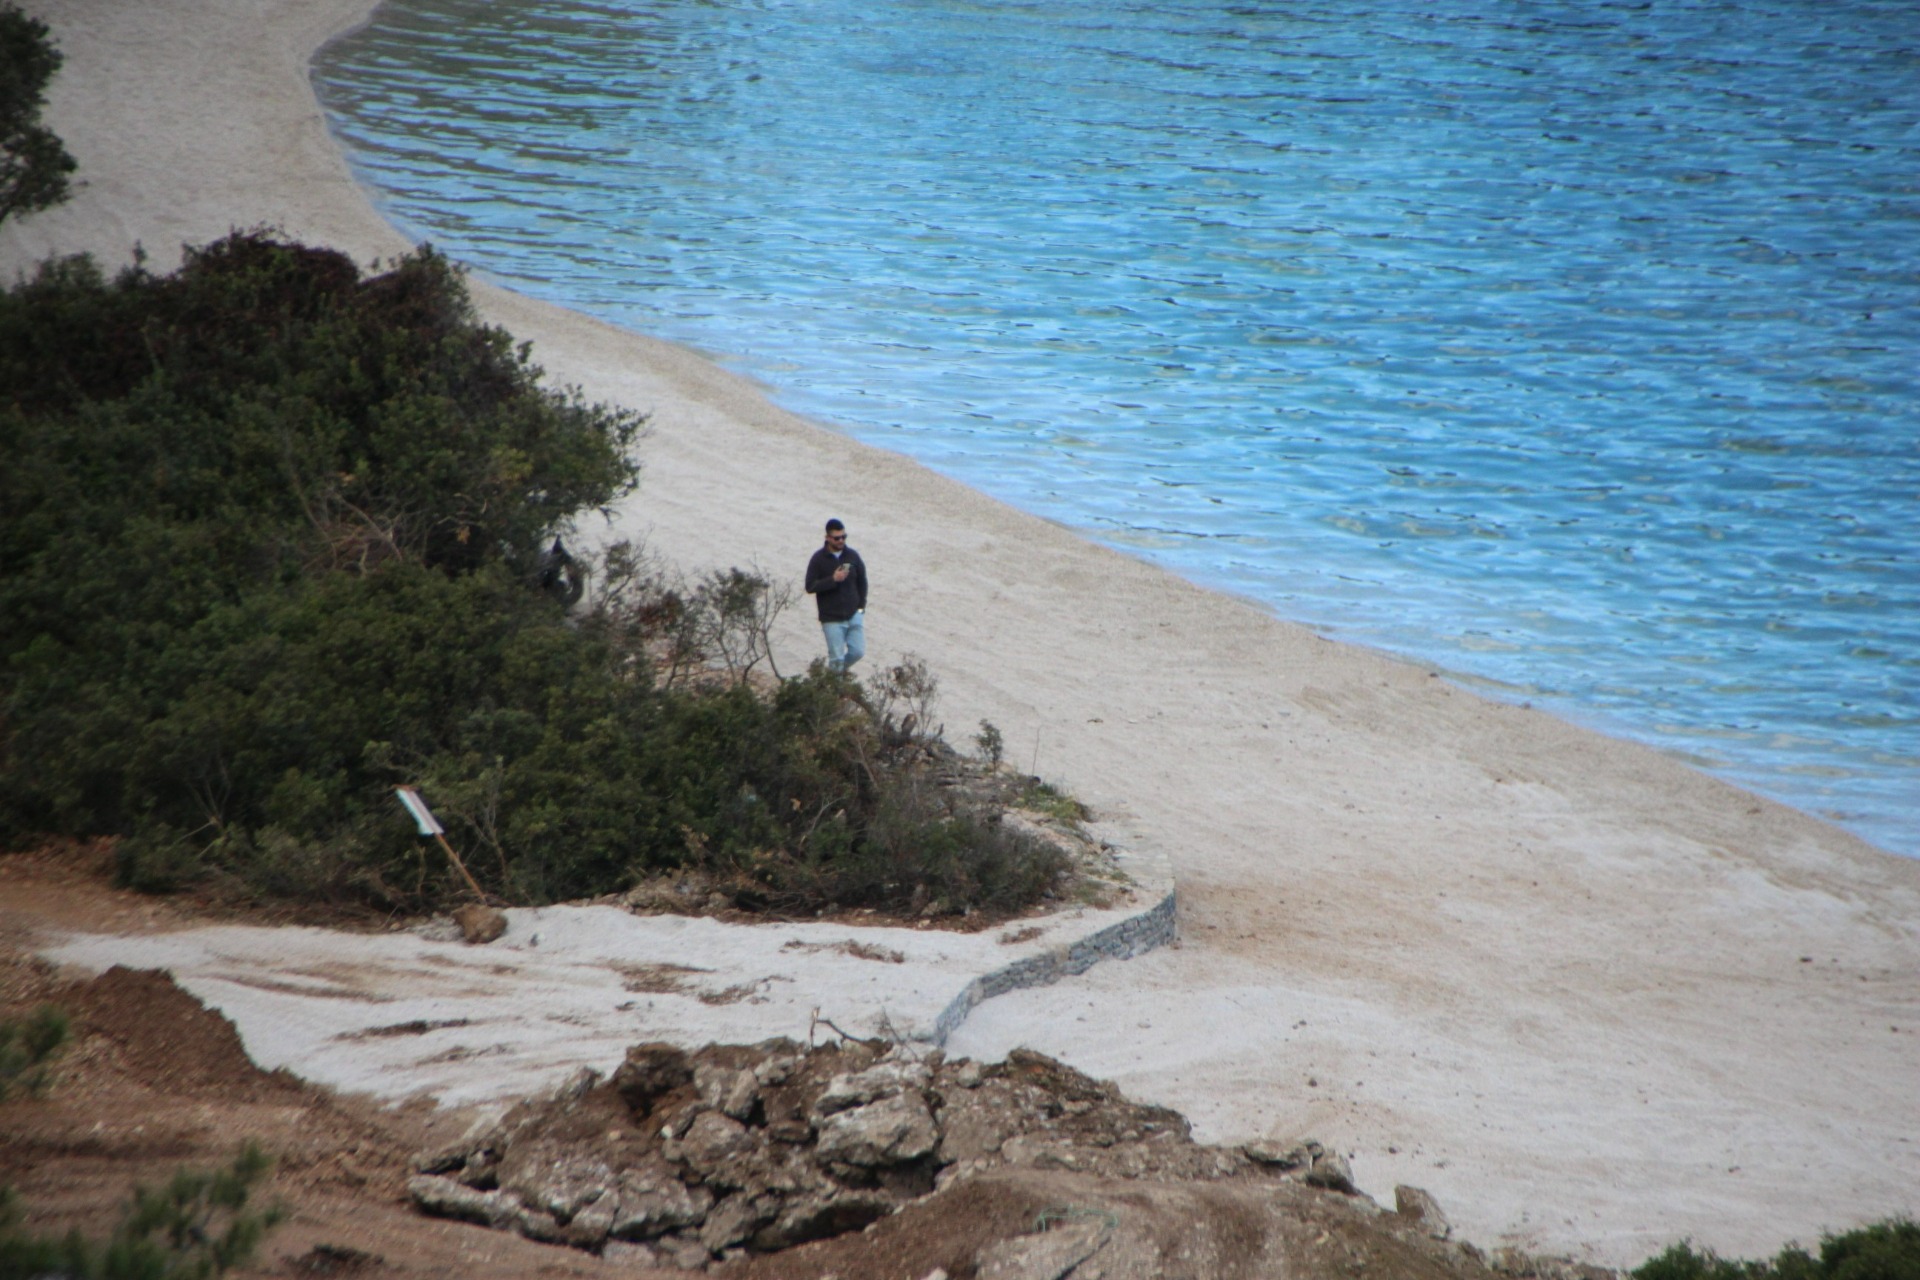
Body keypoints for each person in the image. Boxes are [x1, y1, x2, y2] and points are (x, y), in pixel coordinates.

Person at [804, 518, 868, 672]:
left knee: (858, 652)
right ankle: (835, 690)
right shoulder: (818, 559)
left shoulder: (852, 556)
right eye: (837, 538)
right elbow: (810, 586)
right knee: (837, 658)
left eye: (844, 537)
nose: (841, 541)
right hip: (831, 619)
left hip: (854, 614)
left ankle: (832, 675)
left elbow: (862, 581)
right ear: (827, 538)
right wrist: (832, 579)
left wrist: (861, 609)